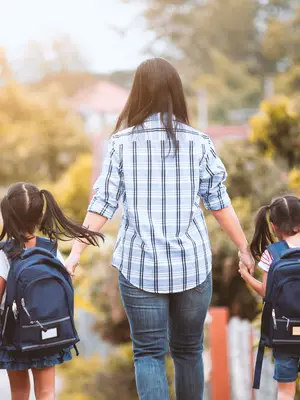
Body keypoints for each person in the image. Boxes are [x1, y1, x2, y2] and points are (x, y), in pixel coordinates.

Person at [65, 57, 254, 400]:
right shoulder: (199, 141)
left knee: (149, 354)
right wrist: (243, 247)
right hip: (192, 265)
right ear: (175, 93)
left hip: (139, 266)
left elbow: (103, 203)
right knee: (188, 351)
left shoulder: (121, 143)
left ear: (137, 94)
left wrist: (75, 252)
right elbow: (219, 203)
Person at [0, 182, 102, 400]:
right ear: (40, 217)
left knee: (19, 392)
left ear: (7, 215)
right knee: (47, 392)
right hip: (48, 331)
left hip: (15, 335)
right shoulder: (51, 249)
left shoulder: (4, 254)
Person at [239, 196, 300, 400]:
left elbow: (267, 292)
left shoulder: (273, 253)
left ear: (273, 226)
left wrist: (246, 275)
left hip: (286, 334)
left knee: (285, 391)